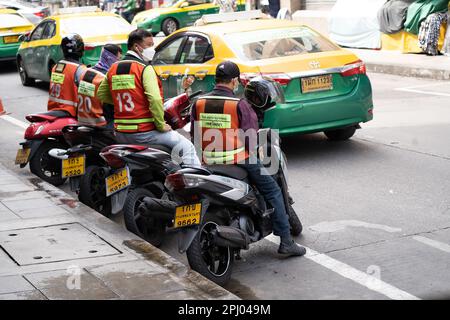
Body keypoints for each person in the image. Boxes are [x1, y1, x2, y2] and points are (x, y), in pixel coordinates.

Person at [190, 61, 306, 257]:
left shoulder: (199, 102)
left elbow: (194, 134)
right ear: (234, 81)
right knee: (273, 190)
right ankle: (286, 242)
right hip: (239, 159)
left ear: (217, 79)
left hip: (208, 161)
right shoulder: (239, 104)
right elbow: (251, 140)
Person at [96, 28, 201, 166]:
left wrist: (122, 99)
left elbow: (101, 94)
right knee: (187, 147)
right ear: (136, 47)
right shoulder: (144, 68)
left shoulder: (113, 68)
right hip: (144, 132)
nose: (152, 49)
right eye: (149, 45)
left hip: (120, 132)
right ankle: (193, 183)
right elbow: (155, 99)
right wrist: (161, 124)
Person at [77, 44, 122, 128]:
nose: (118, 62)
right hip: (101, 123)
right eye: (118, 59)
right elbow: (112, 106)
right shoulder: (106, 77)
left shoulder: (86, 71)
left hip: (82, 120)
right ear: (110, 57)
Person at [47, 34, 86, 118]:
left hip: (53, 110)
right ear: (81, 49)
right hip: (71, 112)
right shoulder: (80, 69)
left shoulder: (56, 67)